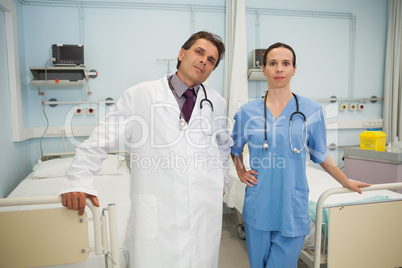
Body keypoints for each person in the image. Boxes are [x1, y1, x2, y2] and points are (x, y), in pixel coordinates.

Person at [61, 31, 233, 268]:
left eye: (211, 60)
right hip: (158, 212)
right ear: (182, 53)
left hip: (204, 209)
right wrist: (78, 180)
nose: (204, 60)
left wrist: (222, 181)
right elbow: (100, 139)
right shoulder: (140, 95)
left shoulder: (216, 101)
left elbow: (222, 145)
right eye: (199, 52)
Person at [230, 42, 370, 268]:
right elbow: (234, 149)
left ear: (294, 69)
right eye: (273, 63)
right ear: (264, 69)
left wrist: (346, 181)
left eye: (286, 63)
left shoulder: (311, 110)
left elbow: (321, 154)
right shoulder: (247, 112)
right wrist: (240, 171)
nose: (279, 69)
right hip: (259, 204)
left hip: (292, 206)